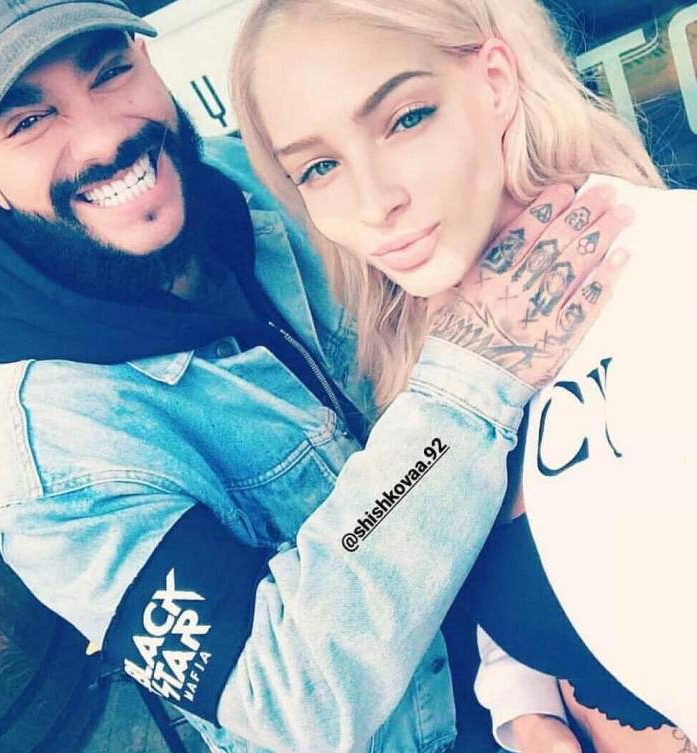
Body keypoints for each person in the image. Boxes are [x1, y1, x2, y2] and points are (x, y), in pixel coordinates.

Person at [0, 1, 625, 753]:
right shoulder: (43, 459)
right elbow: (289, 697)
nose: (102, 138)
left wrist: (526, 682)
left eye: (110, 72)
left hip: (534, 639)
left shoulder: (268, 179)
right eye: (29, 122)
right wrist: (465, 386)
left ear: (147, 57)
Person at [228, 0, 697, 751]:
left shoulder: (675, 279)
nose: (375, 202)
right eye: (319, 167)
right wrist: (525, 705)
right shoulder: (435, 359)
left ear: (496, 80)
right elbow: (531, 560)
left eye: (406, 119)